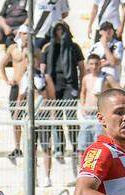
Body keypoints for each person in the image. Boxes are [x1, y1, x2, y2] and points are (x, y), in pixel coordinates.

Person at [42, 21, 83, 159]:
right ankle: (59, 146)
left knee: (71, 116)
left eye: (62, 29)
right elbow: (43, 68)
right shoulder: (47, 48)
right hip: (53, 85)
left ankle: (77, 145)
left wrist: (81, 86)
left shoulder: (74, 47)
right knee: (56, 117)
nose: (59, 32)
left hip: (70, 84)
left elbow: (82, 67)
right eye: (57, 29)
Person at [78, 53, 119, 162]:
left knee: (99, 145)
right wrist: (82, 107)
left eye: (96, 63)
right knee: (83, 145)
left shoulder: (107, 77)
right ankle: (83, 170)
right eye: (91, 64)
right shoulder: (86, 78)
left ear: (100, 64)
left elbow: (119, 90)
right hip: (87, 116)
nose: (94, 66)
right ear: (87, 65)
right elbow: (83, 93)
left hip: (99, 116)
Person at [0, 24, 31, 161]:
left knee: (31, 118)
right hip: (17, 85)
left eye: (27, 34)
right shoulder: (13, 48)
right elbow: (1, 64)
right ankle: (17, 147)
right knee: (16, 118)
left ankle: (30, 147)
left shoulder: (33, 49)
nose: (26, 36)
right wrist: (7, 80)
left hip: (29, 87)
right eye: (23, 34)